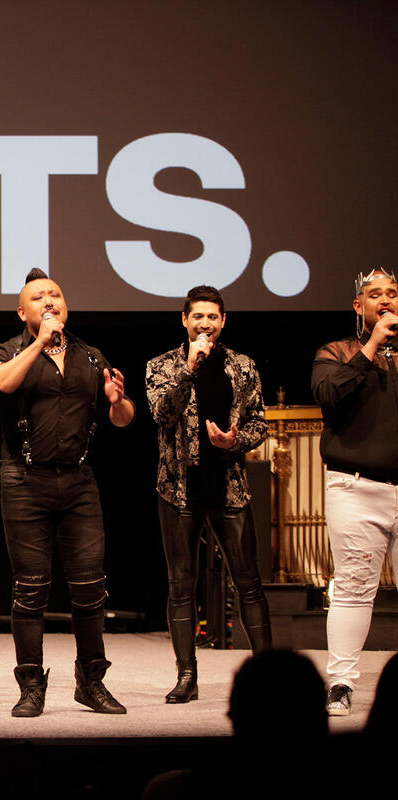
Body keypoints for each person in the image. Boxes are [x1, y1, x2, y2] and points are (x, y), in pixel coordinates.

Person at [0, 268, 135, 717]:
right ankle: (31, 685)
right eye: (39, 297)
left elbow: (123, 419)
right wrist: (39, 344)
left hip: (80, 483)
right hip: (25, 481)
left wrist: (117, 400)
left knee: (90, 589)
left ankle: (91, 681)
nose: (49, 301)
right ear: (22, 311)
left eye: (56, 295)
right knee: (31, 589)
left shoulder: (90, 355)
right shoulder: (5, 352)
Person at [145, 285, 271, 704]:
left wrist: (234, 442)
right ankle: (186, 676)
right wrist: (190, 368)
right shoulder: (161, 365)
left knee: (248, 583)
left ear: (223, 321)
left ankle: (266, 676)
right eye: (197, 317)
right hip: (178, 489)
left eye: (212, 318)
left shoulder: (243, 366)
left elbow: (259, 423)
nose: (205, 325)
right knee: (181, 586)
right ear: (185, 320)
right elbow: (162, 415)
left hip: (229, 487)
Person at [312, 267, 397, 716]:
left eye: (392, 293)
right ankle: (341, 683)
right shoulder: (338, 351)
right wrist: (372, 347)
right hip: (356, 488)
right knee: (353, 587)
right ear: (358, 306)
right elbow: (329, 393)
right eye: (375, 294)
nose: (385, 300)